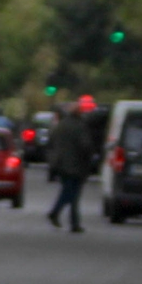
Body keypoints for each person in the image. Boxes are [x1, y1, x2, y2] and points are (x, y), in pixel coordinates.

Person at [46, 96, 98, 232]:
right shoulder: (80, 126)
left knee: (69, 192)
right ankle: (57, 214)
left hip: (61, 164)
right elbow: (85, 146)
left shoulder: (61, 125)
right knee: (72, 194)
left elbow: (51, 141)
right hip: (76, 165)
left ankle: (71, 221)